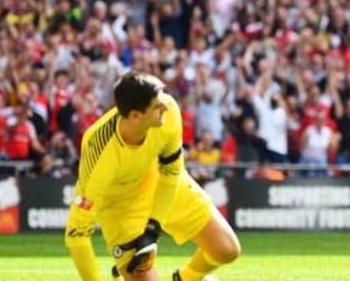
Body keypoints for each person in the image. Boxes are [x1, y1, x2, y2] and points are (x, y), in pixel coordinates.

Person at [64, 72, 240, 281]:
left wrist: (152, 228)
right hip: (120, 205)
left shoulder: (169, 111)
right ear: (135, 115)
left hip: (160, 180)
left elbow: (172, 171)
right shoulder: (99, 151)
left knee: (227, 249)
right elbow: (76, 236)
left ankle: (186, 278)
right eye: (157, 106)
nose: (165, 106)